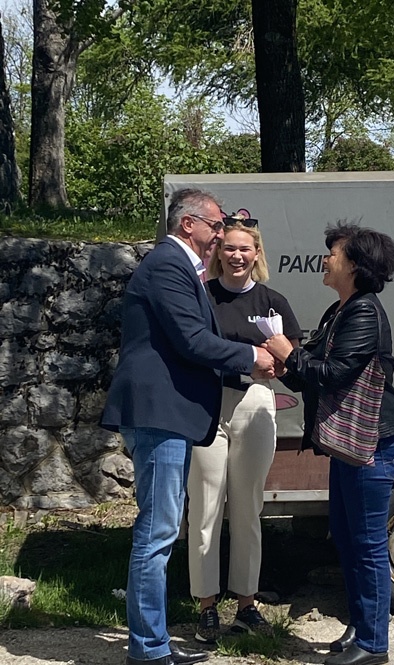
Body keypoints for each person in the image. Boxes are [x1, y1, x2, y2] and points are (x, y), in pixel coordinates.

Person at [100, 189, 275, 665]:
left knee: (159, 531)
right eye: (216, 225)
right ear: (188, 224)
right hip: (159, 414)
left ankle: (150, 645)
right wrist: (252, 355)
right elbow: (192, 340)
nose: (221, 234)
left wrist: (246, 363)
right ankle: (149, 651)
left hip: (167, 414)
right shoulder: (167, 265)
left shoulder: (178, 267)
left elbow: (191, 342)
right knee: (157, 534)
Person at [264, 222, 394, 665]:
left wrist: (288, 353)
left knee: (367, 545)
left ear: (356, 265)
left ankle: (374, 645)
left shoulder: (363, 312)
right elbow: (311, 373)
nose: (325, 259)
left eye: (333, 253)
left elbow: (334, 374)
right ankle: (361, 628)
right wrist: (285, 367)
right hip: (352, 448)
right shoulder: (339, 310)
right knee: (346, 538)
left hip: (371, 448)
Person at [187, 218, 301, 643]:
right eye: (229, 248)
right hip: (208, 403)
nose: (236, 256)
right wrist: (245, 358)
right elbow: (191, 347)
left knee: (247, 507)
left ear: (257, 254)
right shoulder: (203, 296)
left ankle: (246, 604)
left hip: (254, 402)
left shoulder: (272, 301)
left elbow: (291, 357)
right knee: (205, 508)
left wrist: (278, 364)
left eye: (245, 249)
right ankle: (206, 606)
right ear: (218, 253)